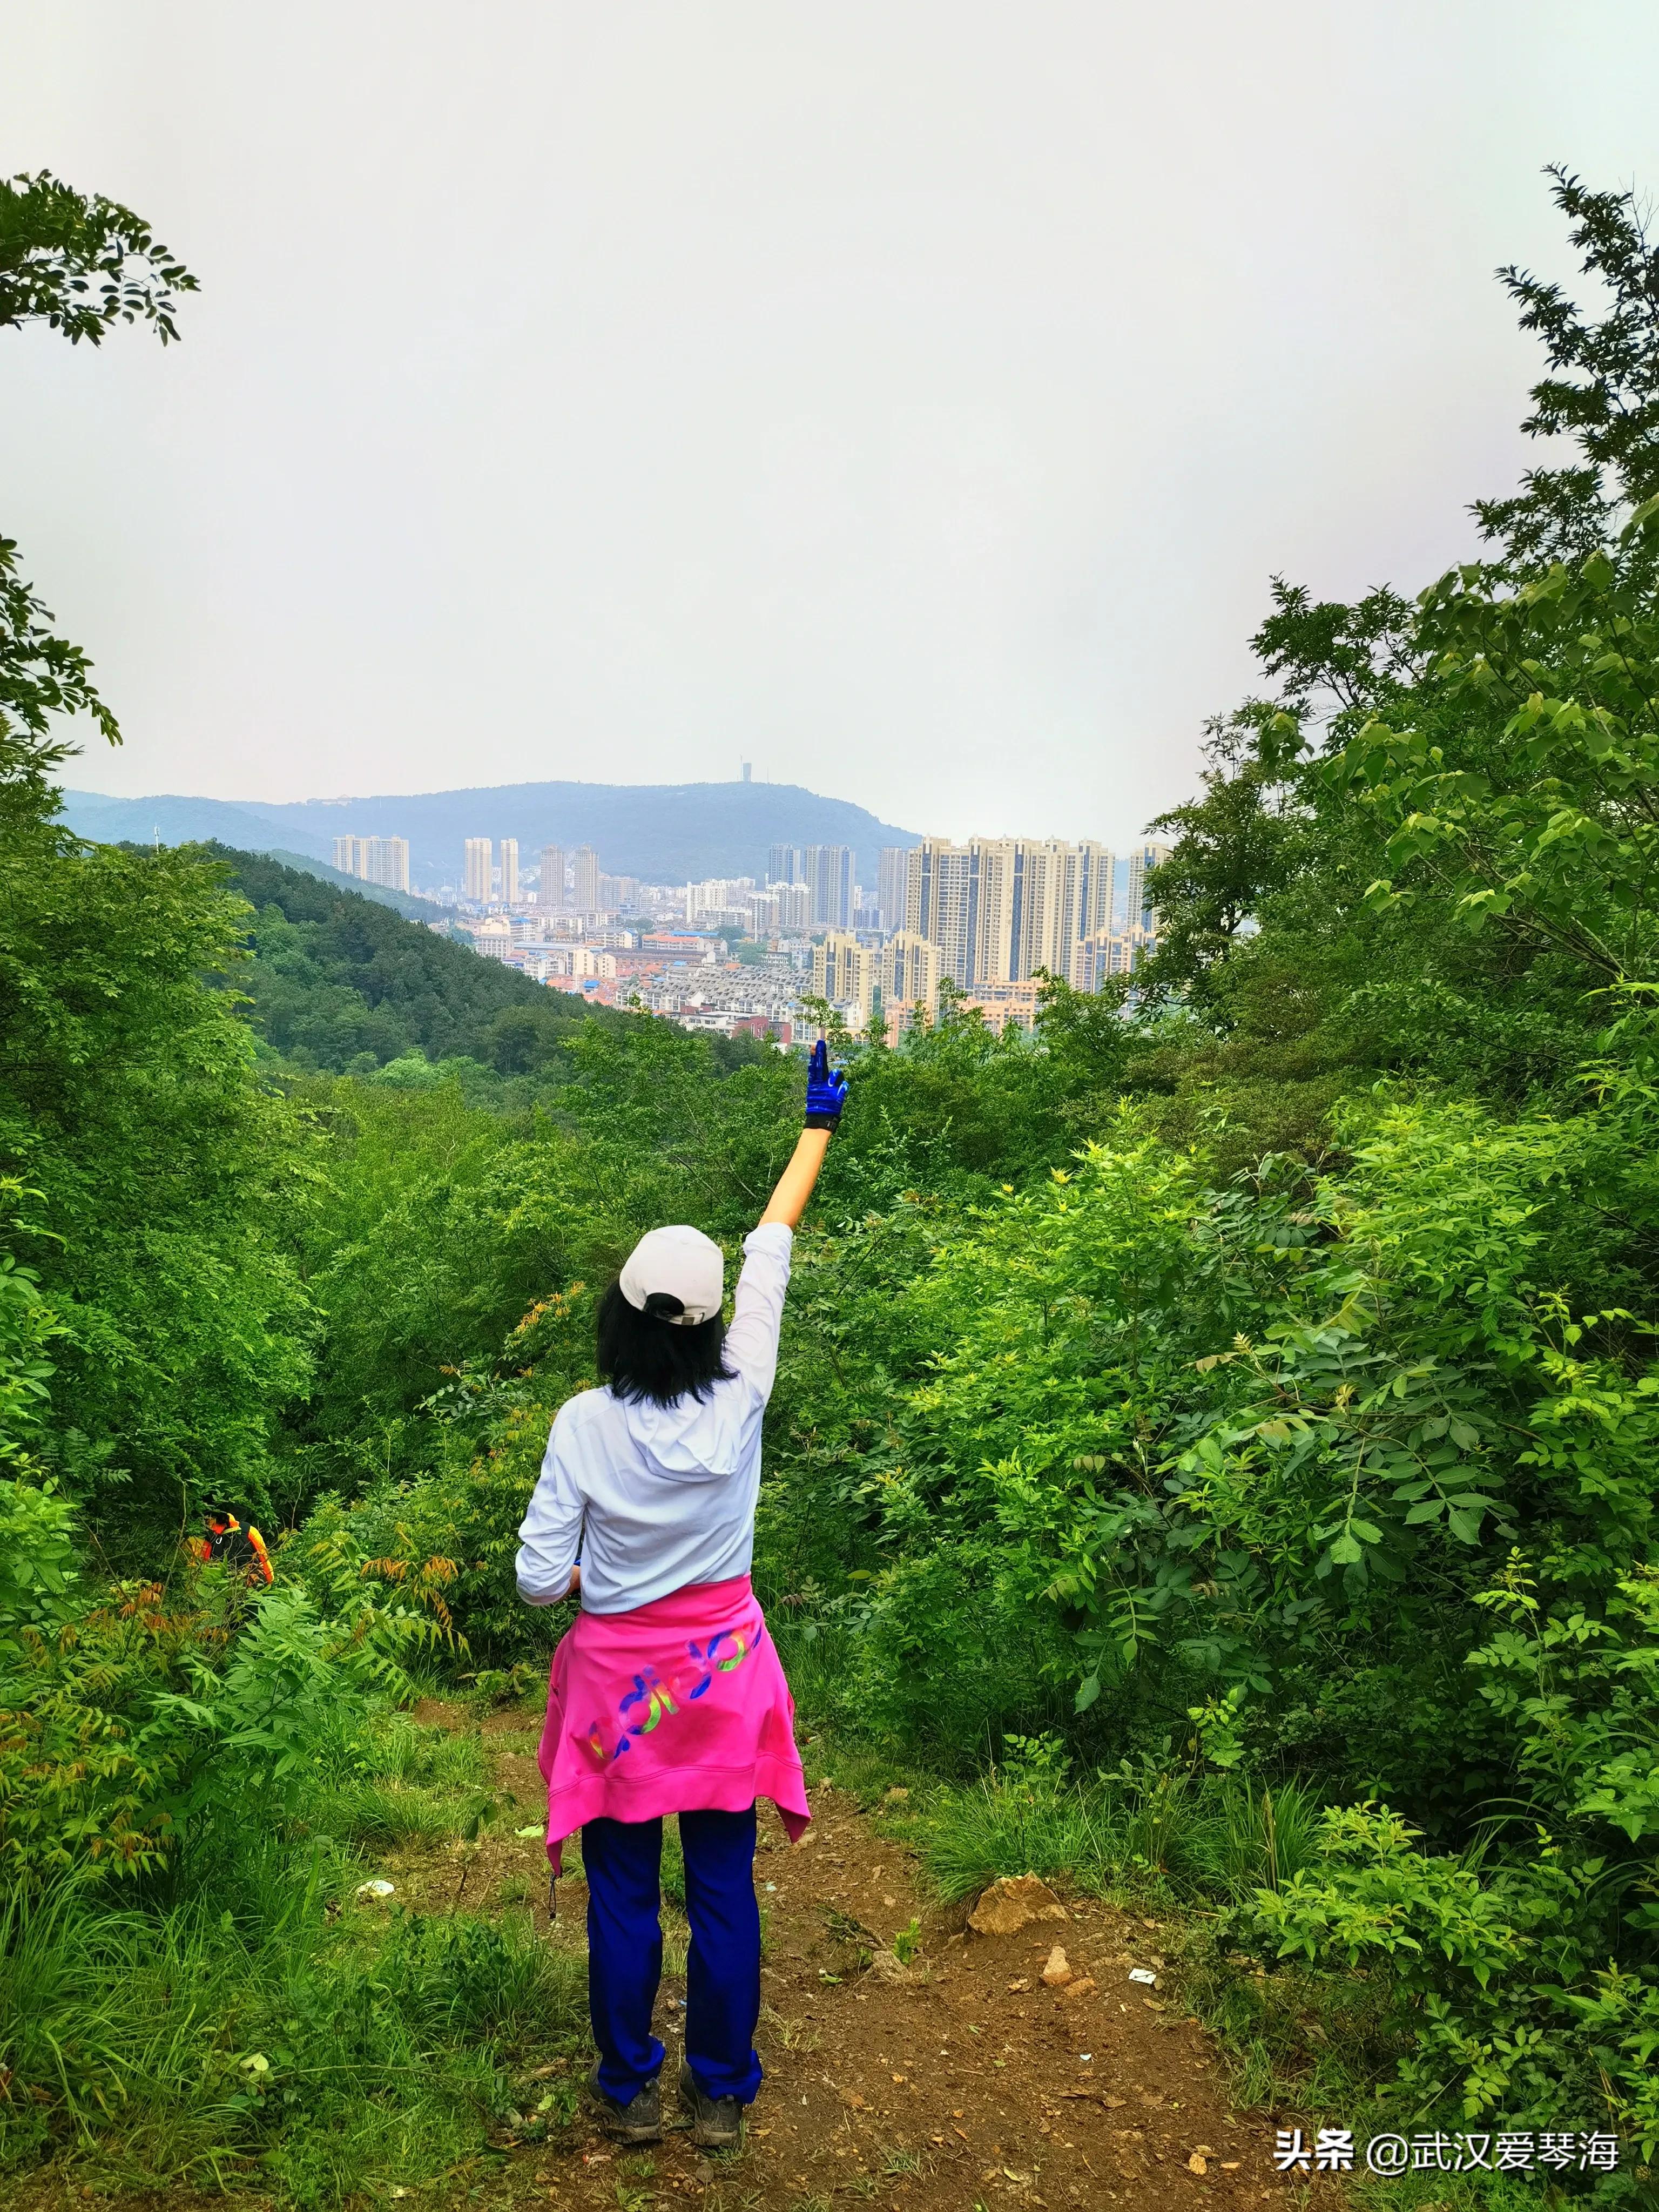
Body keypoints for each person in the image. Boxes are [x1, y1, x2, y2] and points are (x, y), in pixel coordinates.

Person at [515, 1037, 849, 2150]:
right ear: (708, 1322)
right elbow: (773, 1240)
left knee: (621, 1890)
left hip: (621, 1689)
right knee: (720, 1884)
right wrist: (818, 1126)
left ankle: (625, 2088)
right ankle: (718, 2086)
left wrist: (576, 1576)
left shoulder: (581, 1420)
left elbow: (532, 1578)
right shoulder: (742, 1387)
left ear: (618, 1311)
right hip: (718, 1677)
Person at [190, 1504, 274, 1586]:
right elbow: (264, 1557)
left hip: (236, 1578)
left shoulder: (247, 1531)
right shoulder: (248, 1530)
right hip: (228, 1579)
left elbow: (264, 1556)